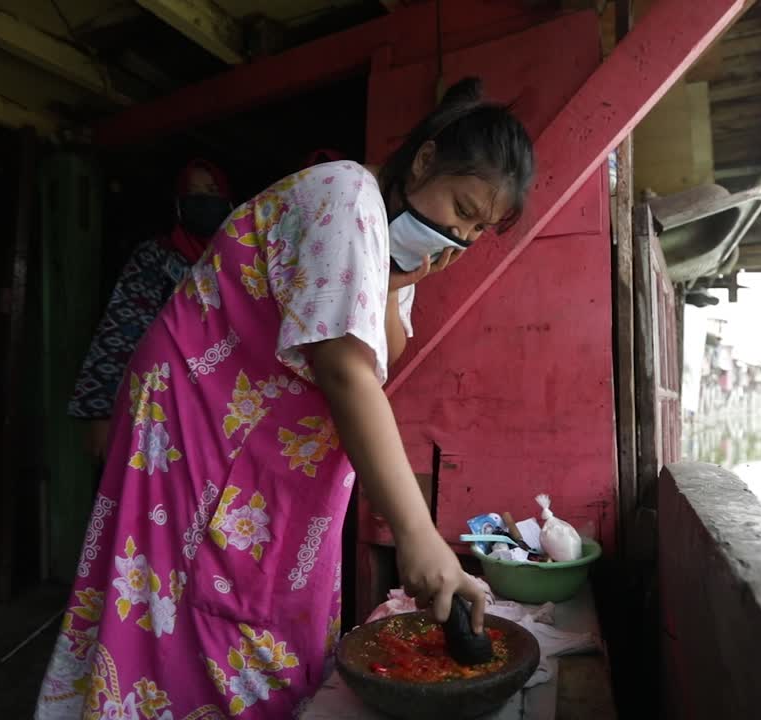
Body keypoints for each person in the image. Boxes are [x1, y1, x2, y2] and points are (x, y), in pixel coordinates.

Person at [34, 77, 534, 719]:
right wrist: (417, 535)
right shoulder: (346, 193)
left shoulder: (388, 247)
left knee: (265, 599)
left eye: (477, 229)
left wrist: (390, 280)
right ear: (426, 158)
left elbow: (388, 354)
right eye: (462, 209)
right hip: (197, 417)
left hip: (267, 441)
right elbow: (347, 371)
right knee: (187, 606)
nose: (460, 239)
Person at [68, 160, 234, 459]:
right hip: (163, 406)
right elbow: (121, 328)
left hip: (227, 409)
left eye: (211, 191)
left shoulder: (238, 264)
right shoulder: (156, 257)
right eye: (193, 194)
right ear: (179, 205)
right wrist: (101, 411)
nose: (204, 201)